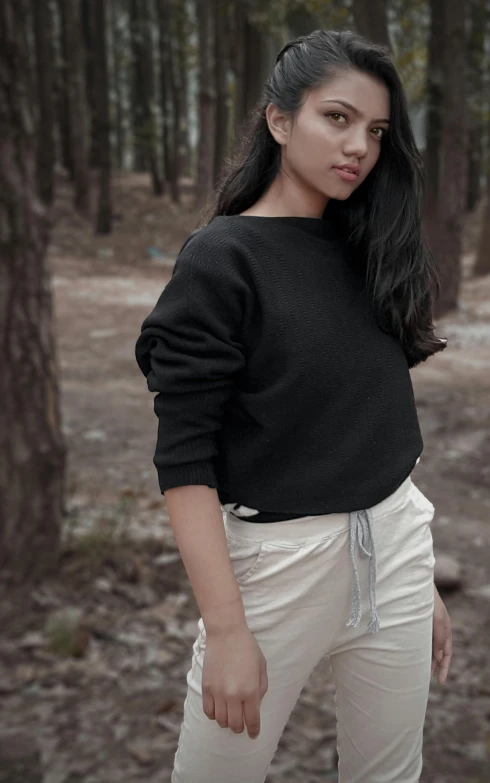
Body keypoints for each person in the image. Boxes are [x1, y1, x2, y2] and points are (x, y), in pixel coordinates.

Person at [135, 28, 452, 783]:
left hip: (398, 547)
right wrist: (228, 627)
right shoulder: (222, 258)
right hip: (275, 571)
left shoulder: (366, 245)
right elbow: (184, 461)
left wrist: (421, 577)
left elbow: (369, 426)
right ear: (280, 120)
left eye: (375, 131)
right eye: (336, 118)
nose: (360, 147)